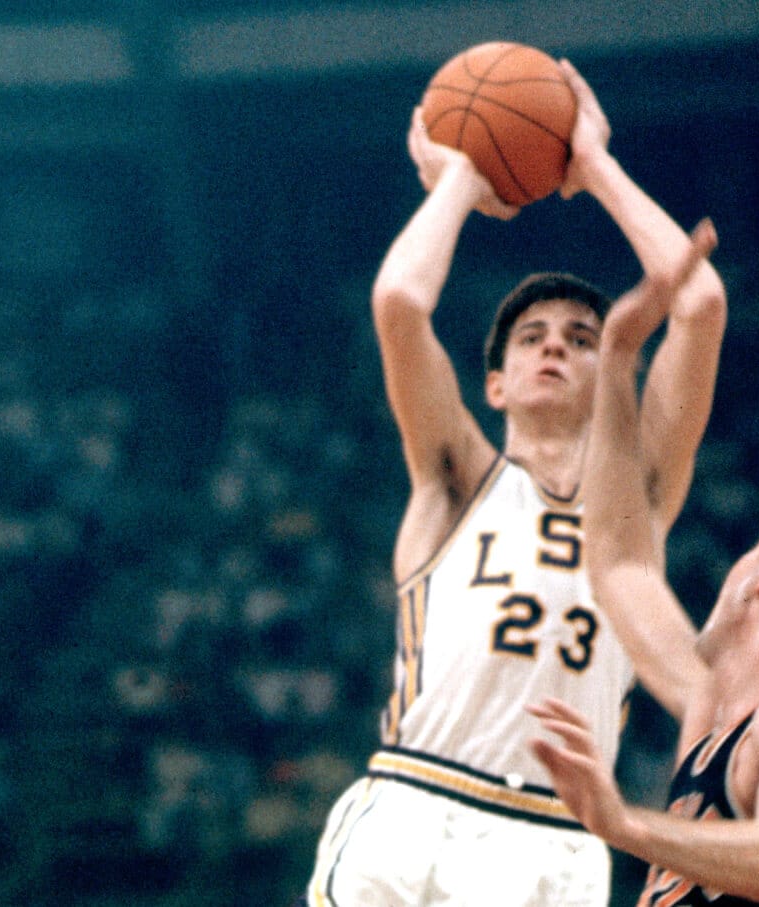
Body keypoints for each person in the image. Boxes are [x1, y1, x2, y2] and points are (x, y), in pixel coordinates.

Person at [299, 59, 727, 907]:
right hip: (413, 803)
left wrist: (594, 166)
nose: (555, 347)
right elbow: (398, 303)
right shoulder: (456, 474)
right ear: (493, 384)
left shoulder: (639, 495)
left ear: (614, 367)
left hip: (554, 837)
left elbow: (701, 301)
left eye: (580, 335)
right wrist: (459, 178)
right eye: (531, 336)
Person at [527, 231, 759, 907]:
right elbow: (619, 561)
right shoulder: (713, 705)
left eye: (751, 551)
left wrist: (620, 821)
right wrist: (615, 359)